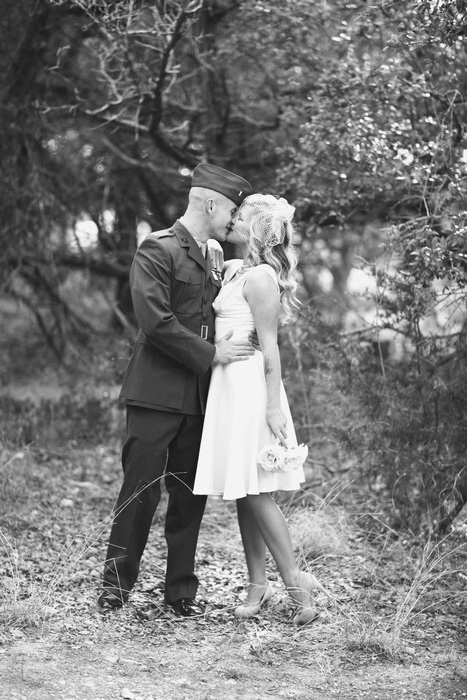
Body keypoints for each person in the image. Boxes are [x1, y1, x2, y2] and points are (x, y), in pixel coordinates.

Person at [99, 163, 254, 616]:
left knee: (189, 496)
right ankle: (115, 587)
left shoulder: (213, 257)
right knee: (140, 490)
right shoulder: (157, 248)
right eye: (231, 208)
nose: (233, 218)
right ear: (210, 203)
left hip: (201, 398)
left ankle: (180, 592)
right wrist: (211, 353)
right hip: (156, 393)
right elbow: (155, 320)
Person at [193, 193, 320, 626]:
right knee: (243, 490)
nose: (233, 219)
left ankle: (294, 582)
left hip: (251, 390)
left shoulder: (262, 278)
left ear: (258, 231)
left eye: (241, 216)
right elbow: (208, 252)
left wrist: (273, 408)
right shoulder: (234, 269)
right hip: (227, 387)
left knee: (258, 493)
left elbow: (271, 351)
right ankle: (257, 584)